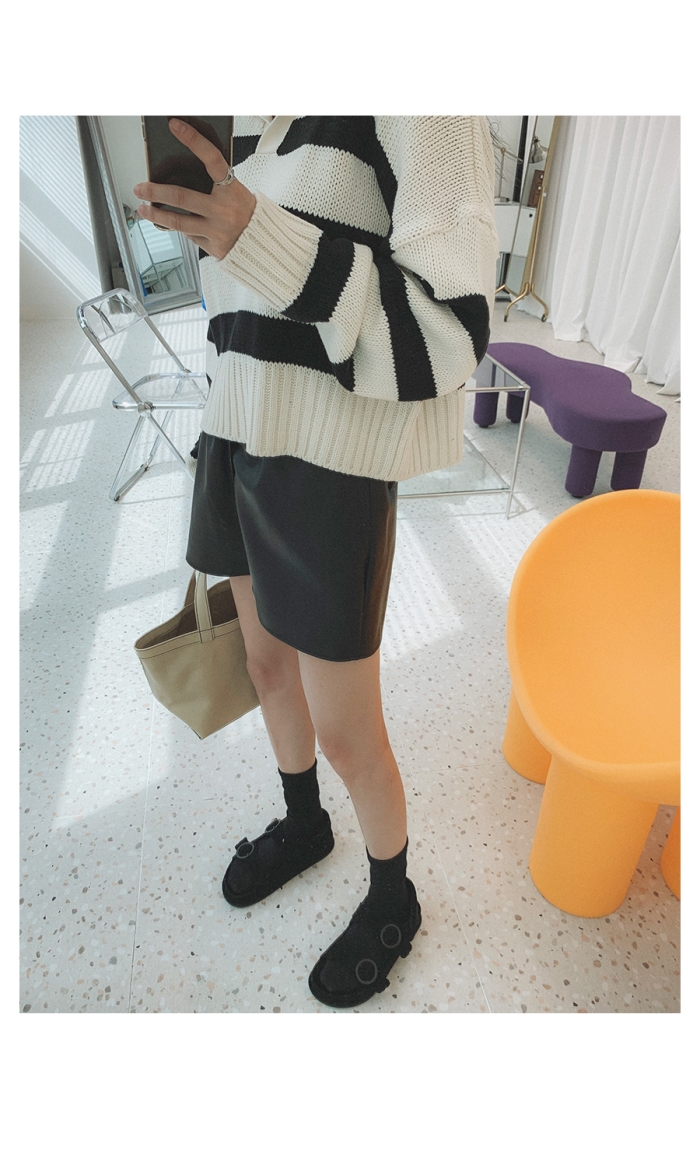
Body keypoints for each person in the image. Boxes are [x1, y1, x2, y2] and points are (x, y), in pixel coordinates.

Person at [134, 115, 498, 1008]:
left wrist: (263, 237)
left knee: (346, 729)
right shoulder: (262, 124)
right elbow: (251, 310)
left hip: (331, 457)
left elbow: (452, 337)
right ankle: (305, 824)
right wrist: (218, 237)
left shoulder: (426, 108)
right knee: (264, 666)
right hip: (235, 431)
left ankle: (393, 896)